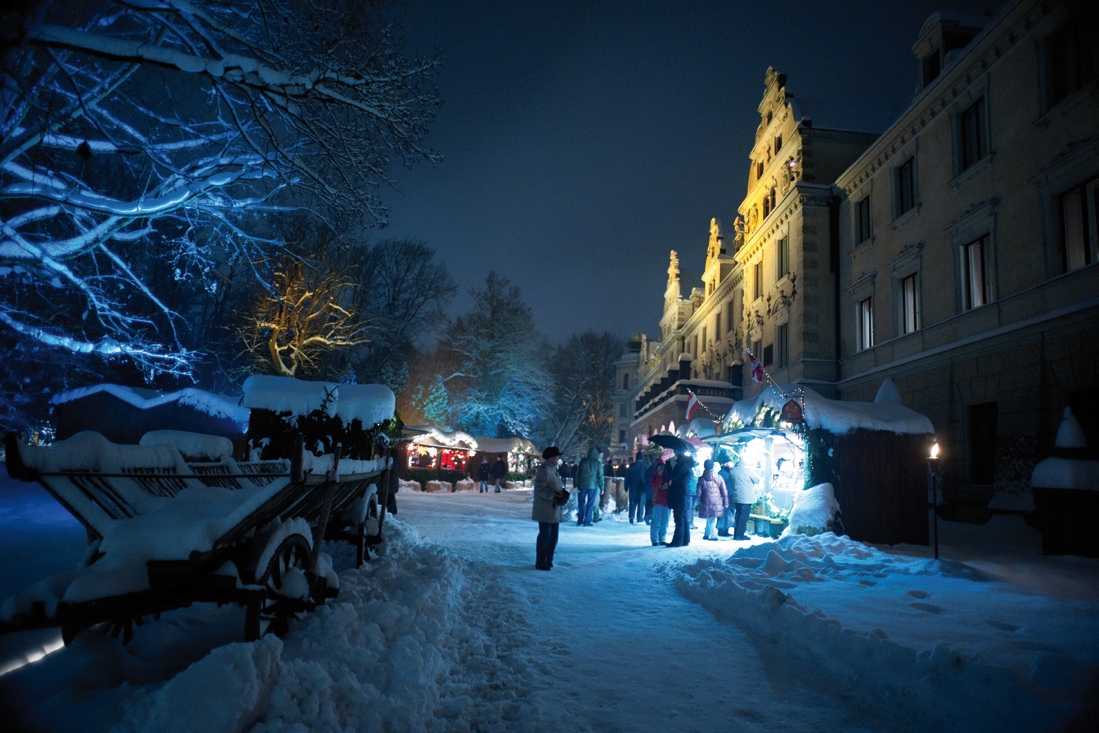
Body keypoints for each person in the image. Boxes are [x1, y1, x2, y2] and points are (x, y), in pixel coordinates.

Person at [532, 446, 566, 570]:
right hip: (546, 509)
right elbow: (540, 489)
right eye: (556, 456)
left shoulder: (551, 469)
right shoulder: (545, 469)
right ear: (551, 457)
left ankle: (548, 559)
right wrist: (554, 495)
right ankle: (541, 561)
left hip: (553, 509)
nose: (558, 458)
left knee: (553, 536)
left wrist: (561, 493)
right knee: (545, 536)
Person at [729, 452, 761, 540]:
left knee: (738, 514)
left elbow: (731, 481)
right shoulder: (748, 470)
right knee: (744, 516)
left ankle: (736, 534)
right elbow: (757, 480)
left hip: (737, 496)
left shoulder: (733, 470)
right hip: (746, 497)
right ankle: (740, 535)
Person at [666, 452, 696, 547]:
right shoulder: (688, 466)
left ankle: (677, 541)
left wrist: (668, 465)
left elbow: (673, 476)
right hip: (685, 495)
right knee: (684, 518)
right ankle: (685, 540)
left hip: (679, 495)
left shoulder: (681, 466)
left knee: (679, 519)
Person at [697, 459, 729, 540]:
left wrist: (699, 502)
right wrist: (726, 504)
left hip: (706, 501)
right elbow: (724, 492)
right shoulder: (719, 477)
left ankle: (713, 535)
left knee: (710, 517)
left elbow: (698, 493)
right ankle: (707, 534)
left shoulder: (701, 479)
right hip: (717, 501)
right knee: (711, 517)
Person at [575, 446, 603, 527]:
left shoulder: (583, 462)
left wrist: (577, 484)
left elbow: (578, 474)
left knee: (581, 502)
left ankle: (580, 519)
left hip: (582, 485)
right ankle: (587, 521)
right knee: (590, 503)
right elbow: (600, 476)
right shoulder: (598, 463)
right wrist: (602, 487)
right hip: (592, 486)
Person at [649, 458, 671, 546]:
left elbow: (671, 485)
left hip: (667, 501)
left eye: (662, 466)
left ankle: (662, 539)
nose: (661, 468)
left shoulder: (668, 475)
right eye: (659, 466)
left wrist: (668, 488)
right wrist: (659, 476)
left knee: (665, 522)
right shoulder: (655, 476)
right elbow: (655, 486)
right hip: (658, 500)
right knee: (656, 521)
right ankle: (655, 539)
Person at [625, 452, 648, 524]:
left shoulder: (631, 466)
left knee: (632, 503)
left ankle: (631, 517)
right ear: (642, 458)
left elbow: (627, 477)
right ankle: (639, 518)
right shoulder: (645, 466)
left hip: (632, 487)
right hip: (642, 488)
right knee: (641, 504)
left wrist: (626, 486)